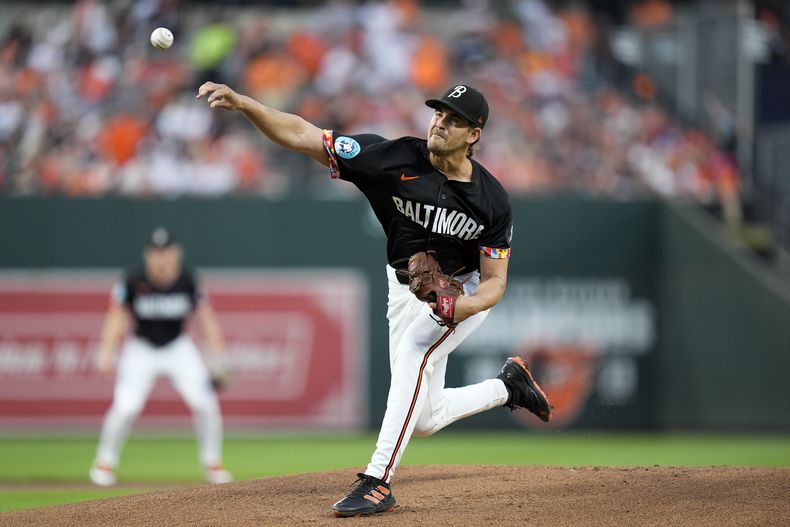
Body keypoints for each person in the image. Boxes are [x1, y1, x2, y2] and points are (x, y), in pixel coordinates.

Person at [196, 81, 551, 516]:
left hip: (462, 289)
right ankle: (508, 387)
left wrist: (462, 307)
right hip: (404, 287)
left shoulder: (492, 200)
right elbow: (303, 135)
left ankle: (378, 481)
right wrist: (246, 102)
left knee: (413, 352)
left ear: (474, 135)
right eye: (439, 112)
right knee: (423, 419)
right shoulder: (391, 158)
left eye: (454, 119)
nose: (440, 122)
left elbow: (496, 281)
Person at [89, 227, 233, 486]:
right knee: (126, 406)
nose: (162, 258)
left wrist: (218, 357)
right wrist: (106, 350)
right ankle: (104, 462)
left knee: (205, 404)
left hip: (178, 347)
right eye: (156, 253)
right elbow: (117, 316)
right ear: (148, 255)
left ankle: (213, 463)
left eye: (166, 252)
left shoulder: (188, 279)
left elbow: (205, 319)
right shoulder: (133, 279)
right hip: (141, 348)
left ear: (176, 253)